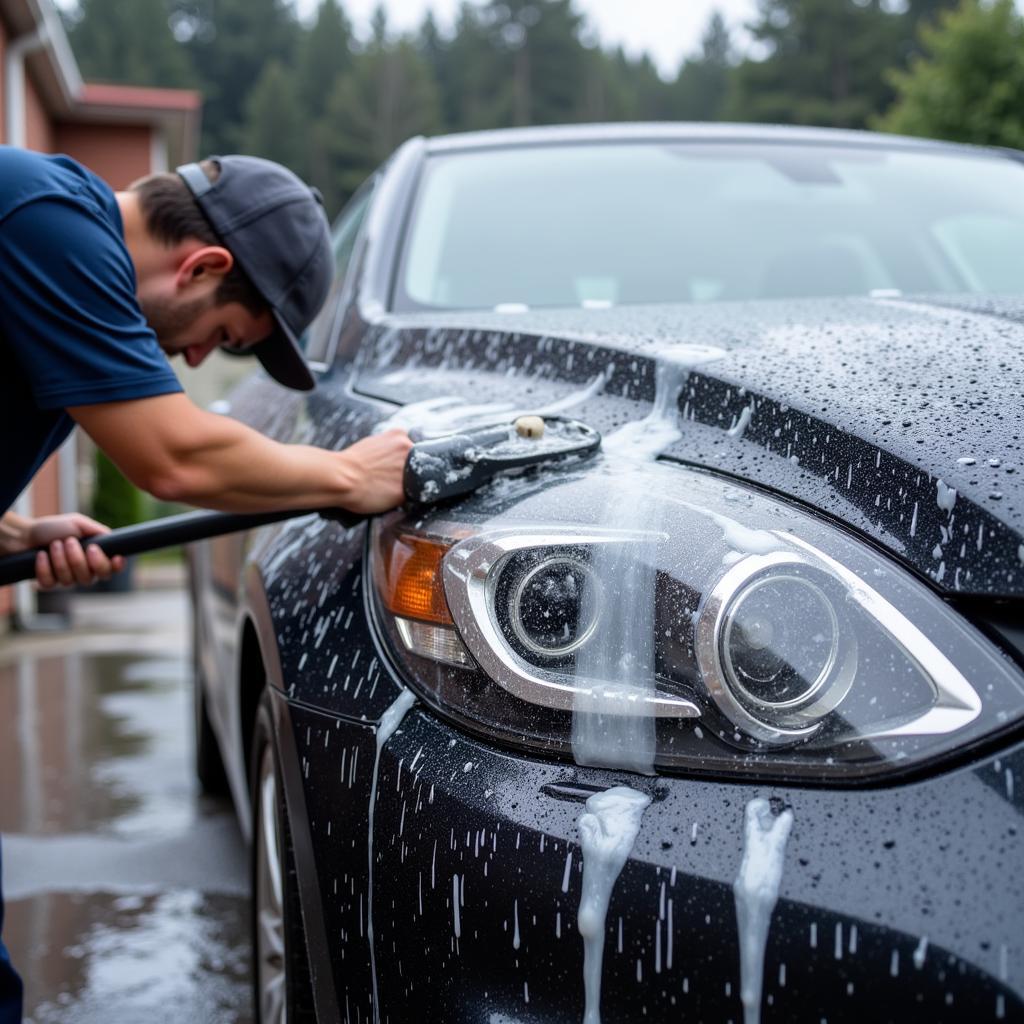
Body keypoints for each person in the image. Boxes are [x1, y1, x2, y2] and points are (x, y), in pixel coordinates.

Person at [0, 146, 413, 1022]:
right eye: (220, 335)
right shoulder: (45, 220)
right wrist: (348, 477)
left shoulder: (46, 252)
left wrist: (18, 530)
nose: (191, 359)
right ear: (204, 266)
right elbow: (176, 454)